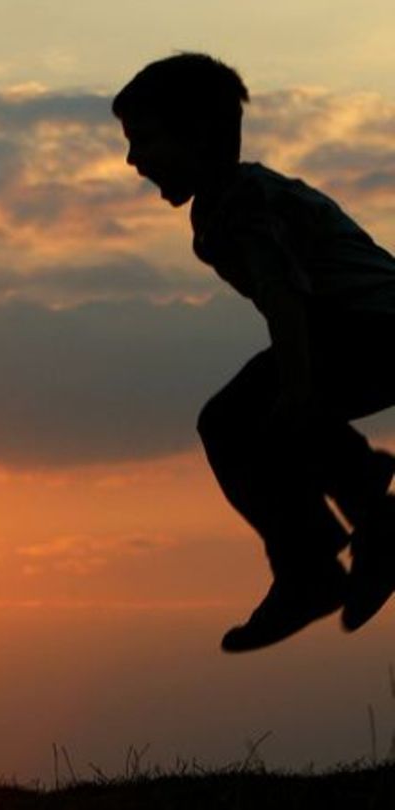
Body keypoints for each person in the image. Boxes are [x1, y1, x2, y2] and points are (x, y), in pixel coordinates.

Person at [113, 53, 395, 652]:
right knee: (266, 416)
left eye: (143, 140)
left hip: (372, 331)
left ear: (199, 135)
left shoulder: (241, 206)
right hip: (360, 331)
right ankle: (357, 527)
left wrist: (297, 393)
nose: (133, 160)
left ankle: (319, 564)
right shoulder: (235, 201)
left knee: (236, 418)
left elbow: (286, 298)